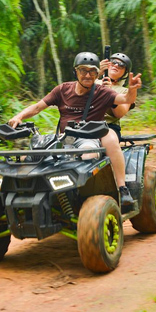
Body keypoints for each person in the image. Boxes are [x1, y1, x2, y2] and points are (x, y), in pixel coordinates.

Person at [8, 52, 142, 210]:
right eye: (83, 70)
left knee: (89, 155)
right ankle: (30, 196)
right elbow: (38, 107)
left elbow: (125, 100)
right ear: (75, 72)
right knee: (27, 156)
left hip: (91, 136)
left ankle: (118, 188)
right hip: (64, 137)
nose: (87, 75)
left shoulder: (104, 91)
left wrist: (132, 89)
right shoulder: (64, 89)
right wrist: (19, 117)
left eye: (91, 71)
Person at [97, 52, 133, 141]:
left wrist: (110, 93)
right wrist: (96, 73)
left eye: (121, 65)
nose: (116, 65)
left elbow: (120, 113)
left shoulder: (125, 92)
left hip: (108, 127)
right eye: (113, 62)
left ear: (125, 73)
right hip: (84, 124)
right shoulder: (92, 82)